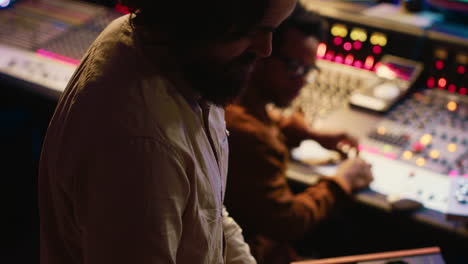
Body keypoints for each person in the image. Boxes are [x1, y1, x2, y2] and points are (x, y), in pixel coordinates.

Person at [38, 1, 297, 263]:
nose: (266, 49)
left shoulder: (194, 63)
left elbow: (208, 213)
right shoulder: (143, 148)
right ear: (201, 16)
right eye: (252, 30)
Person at [224, 5, 374, 264]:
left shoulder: (238, 102)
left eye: (309, 70)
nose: (302, 81)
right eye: (295, 67)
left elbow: (258, 120)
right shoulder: (249, 134)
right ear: (261, 52)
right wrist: (342, 182)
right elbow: (287, 222)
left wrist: (307, 135)